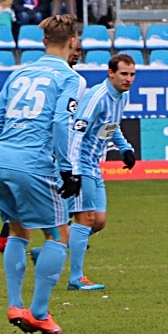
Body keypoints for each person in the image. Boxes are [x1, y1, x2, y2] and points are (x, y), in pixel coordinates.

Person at [0, 15, 83, 334]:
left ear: (43, 41)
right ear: (73, 41)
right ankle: (40, 312)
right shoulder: (71, 78)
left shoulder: (18, 73)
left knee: (17, 231)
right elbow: (60, 123)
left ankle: (16, 304)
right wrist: (67, 169)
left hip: (1, 159)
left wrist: (6, 154)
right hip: (35, 162)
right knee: (58, 235)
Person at [65, 53, 138, 292]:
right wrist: (73, 171)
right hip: (81, 162)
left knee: (99, 222)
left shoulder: (121, 97)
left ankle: (51, 249)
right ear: (111, 73)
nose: (128, 79)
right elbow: (76, 132)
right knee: (85, 219)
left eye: (132, 74)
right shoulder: (97, 97)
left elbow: (111, 127)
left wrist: (125, 147)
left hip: (94, 164)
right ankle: (76, 278)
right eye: (124, 74)